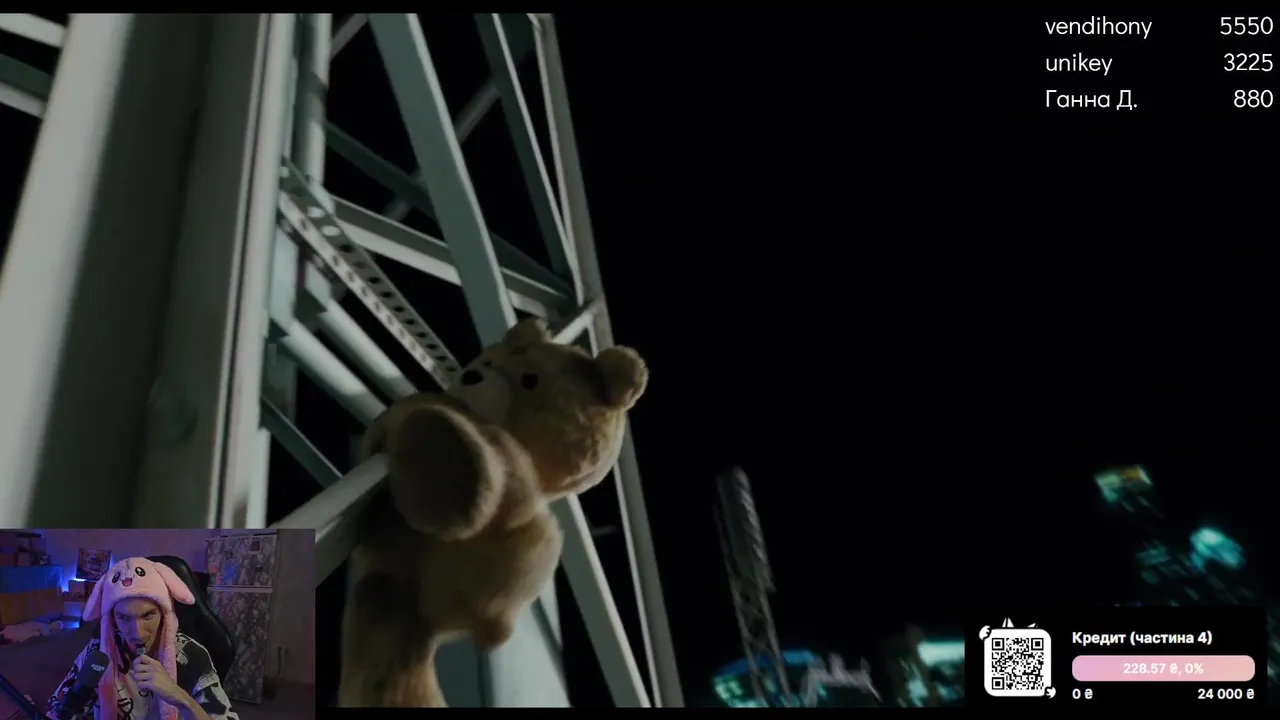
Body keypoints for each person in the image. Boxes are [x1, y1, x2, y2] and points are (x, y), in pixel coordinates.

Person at [45, 557, 238, 720]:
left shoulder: (191, 655)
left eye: (147, 616)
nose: (137, 633)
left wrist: (179, 697)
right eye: (123, 617)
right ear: (112, 619)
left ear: (163, 614)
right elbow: (57, 711)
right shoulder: (97, 652)